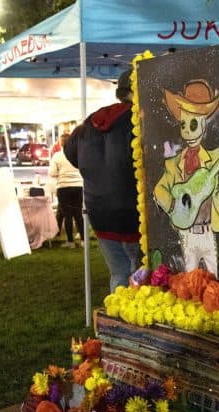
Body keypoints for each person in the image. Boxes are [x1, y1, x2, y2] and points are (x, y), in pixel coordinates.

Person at [153, 79, 219, 275]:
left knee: (212, 281)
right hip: (186, 234)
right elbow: (159, 190)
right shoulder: (173, 164)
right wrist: (174, 208)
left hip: (207, 232)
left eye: (193, 123)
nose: (188, 130)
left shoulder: (213, 160)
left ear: (204, 124)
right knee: (189, 282)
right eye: (184, 124)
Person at [65, 68, 141, 292]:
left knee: (119, 273)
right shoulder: (137, 122)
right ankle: (133, 323)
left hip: (99, 213)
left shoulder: (89, 124)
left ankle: (117, 320)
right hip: (132, 213)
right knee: (141, 276)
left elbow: (71, 152)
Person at [48, 131, 85, 248]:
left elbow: (52, 173)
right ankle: (84, 241)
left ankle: (70, 241)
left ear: (60, 143)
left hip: (64, 187)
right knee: (78, 214)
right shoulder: (79, 154)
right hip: (78, 186)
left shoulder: (57, 156)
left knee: (67, 215)